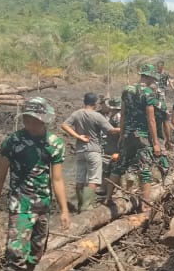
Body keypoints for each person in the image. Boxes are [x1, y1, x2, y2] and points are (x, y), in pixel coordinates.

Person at [0, 97, 71, 271]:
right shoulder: (12, 142)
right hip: (20, 208)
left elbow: (58, 179)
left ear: (45, 121)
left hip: (43, 207)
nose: (31, 123)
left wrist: (64, 209)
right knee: (15, 257)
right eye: (28, 118)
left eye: (36, 120)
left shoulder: (54, 143)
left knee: (34, 255)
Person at [105, 64, 162, 208]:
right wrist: (155, 142)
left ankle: (108, 198)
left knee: (119, 166)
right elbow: (151, 119)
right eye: (152, 79)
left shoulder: (127, 90)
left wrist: (122, 134)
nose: (153, 82)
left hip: (128, 134)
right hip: (141, 137)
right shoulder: (148, 93)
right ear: (148, 77)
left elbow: (123, 114)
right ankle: (144, 205)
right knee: (144, 170)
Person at [61, 93, 119, 212]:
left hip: (80, 150)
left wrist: (78, 136)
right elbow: (111, 131)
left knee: (80, 178)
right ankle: (86, 207)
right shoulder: (96, 116)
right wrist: (124, 128)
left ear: (84, 101)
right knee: (94, 179)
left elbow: (64, 125)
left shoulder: (77, 113)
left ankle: (80, 205)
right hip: (94, 150)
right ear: (96, 103)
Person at [100, 97, 122, 195]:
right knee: (107, 167)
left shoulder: (118, 116)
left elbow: (121, 131)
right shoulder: (112, 115)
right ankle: (105, 188)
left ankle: (114, 190)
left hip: (115, 146)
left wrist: (109, 129)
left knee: (114, 168)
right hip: (110, 144)